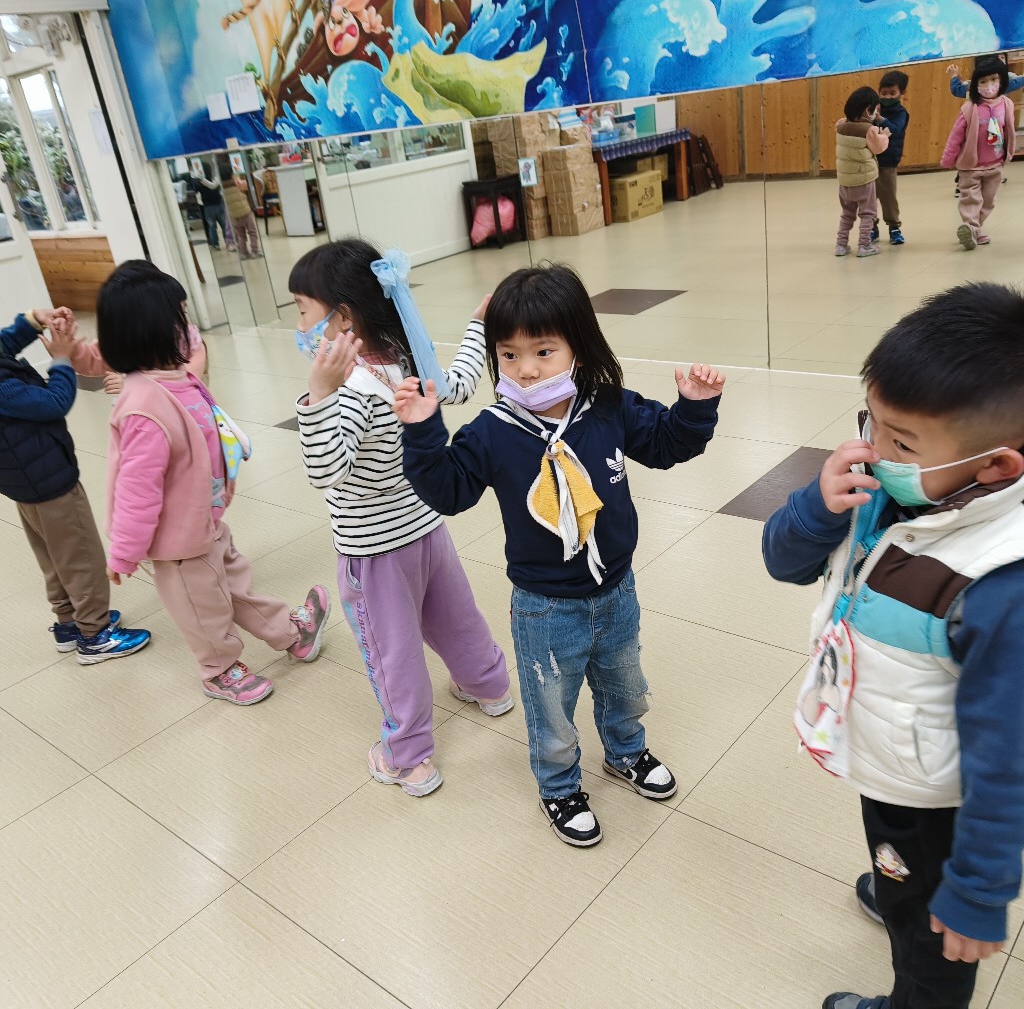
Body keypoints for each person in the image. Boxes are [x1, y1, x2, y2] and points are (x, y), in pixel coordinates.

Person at [394, 264, 726, 845]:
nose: (526, 369)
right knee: (550, 705)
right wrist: (423, 432)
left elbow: (666, 444)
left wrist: (694, 408)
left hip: (617, 589)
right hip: (544, 606)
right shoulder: (492, 430)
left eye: (544, 351)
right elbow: (448, 492)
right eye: (510, 354)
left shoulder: (607, 406)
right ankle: (558, 785)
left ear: (579, 345)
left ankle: (625, 751)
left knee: (625, 686)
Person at [762, 282, 1024, 1009]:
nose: (875, 452)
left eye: (901, 442)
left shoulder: (998, 585)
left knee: (932, 942)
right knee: (899, 865)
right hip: (892, 751)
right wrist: (816, 507)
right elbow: (781, 562)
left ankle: (918, 941)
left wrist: (978, 892)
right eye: (870, 422)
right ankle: (899, 884)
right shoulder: (897, 488)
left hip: (936, 798)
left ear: (997, 465)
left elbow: (1007, 759)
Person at [291, 238, 512, 797]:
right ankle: (489, 685)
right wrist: (477, 325)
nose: (298, 325)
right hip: (427, 528)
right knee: (455, 616)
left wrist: (318, 395)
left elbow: (327, 470)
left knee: (394, 653)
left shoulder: (352, 389)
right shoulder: (403, 357)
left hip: (374, 552)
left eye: (302, 309)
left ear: (343, 317)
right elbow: (458, 382)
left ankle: (408, 757)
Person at [97, 261, 330, 705]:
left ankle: (290, 633)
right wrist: (125, 552)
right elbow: (136, 491)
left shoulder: (175, 378)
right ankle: (219, 670)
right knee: (203, 609)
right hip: (177, 542)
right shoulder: (144, 407)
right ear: (151, 330)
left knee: (236, 587)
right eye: (180, 317)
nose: (189, 327)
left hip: (204, 519)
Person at [0, 305, 150, 663]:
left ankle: (68, 623)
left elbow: (4, 344)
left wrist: (33, 321)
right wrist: (62, 359)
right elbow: (54, 402)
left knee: (54, 555)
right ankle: (95, 634)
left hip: (24, 481)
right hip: (48, 478)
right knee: (81, 556)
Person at [63, 260, 209, 391]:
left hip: (181, 405)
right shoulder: (128, 336)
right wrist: (69, 347)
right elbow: (94, 359)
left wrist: (132, 385)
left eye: (183, 309)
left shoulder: (188, 340)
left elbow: (186, 382)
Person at [940, 60, 1016, 250]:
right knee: (971, 199)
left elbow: (1009, 131)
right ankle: (971, 227)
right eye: (983, 81)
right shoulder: (970, 108)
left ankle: (974, 229)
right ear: (975, 84)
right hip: (971, 166)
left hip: (995, 164)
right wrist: (948, 158)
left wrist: (1008, 154)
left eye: (994, 79)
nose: (989, 85)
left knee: (988, 201)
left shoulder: (1006, 104)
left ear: (1002, 80)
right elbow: (956, 135)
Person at [835, 86, 890, 258]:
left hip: (845, 182)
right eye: (875, 110)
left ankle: (841, 245)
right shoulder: (868, 130)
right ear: (868, 110)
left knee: (847, 214)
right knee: (868, 213)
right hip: (864, 181)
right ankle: (864, 245)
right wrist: (884, 135)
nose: (876, 114)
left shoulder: (841, 125)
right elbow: (878, 147)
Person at [870, 70, 909, 246]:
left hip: (888, 163)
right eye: (883, 93)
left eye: (892, 93)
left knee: (888, 198)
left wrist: (880, 119)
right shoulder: (873, 109)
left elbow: (896, 130)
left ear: (902, 93)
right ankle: (871, 226)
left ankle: (894, 227)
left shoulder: (901, 112)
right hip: (870, 161)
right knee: (869, 197)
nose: (887, 97)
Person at [193, 164, 233, 252]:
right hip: (218, 204)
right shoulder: (214, 180)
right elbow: (215, 187)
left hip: (207, 207)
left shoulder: (198, 182)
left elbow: (195, 192)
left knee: (212, 227)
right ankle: (229, 243)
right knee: (224, 225)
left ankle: (215, 244)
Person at [224, 176, 262, 260]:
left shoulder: (223, 187)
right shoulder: (237, 183)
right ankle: (254, 251)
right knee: (252, 232)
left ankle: (243, 253)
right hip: (245, 212)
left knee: (241, 235)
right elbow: (246, 187)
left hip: (234, 215)